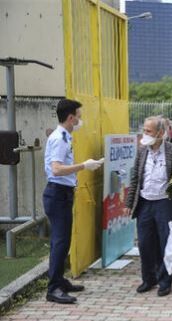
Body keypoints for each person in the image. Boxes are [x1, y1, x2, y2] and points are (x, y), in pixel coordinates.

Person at [43, 99, 103, 304]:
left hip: (62, 193)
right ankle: (53, 289)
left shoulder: (64, 136)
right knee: (60, 242)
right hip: (57, 194)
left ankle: (59, 280)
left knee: (61, 241)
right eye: (79, 116)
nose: (80, 120)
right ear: (70, 117)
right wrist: (84, 166)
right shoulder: (60, 138)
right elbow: (57, 169)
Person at [125, 116, 172, 297]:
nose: (144, 134)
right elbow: (135, 178)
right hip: (145, 203)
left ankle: (165, 281)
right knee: (145, 244)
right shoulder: (141, 151)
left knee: (166, 245)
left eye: (148, 131)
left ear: (161, 133)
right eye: (144, 130)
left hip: (166, 203)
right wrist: (129, 202)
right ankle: (149, 279)